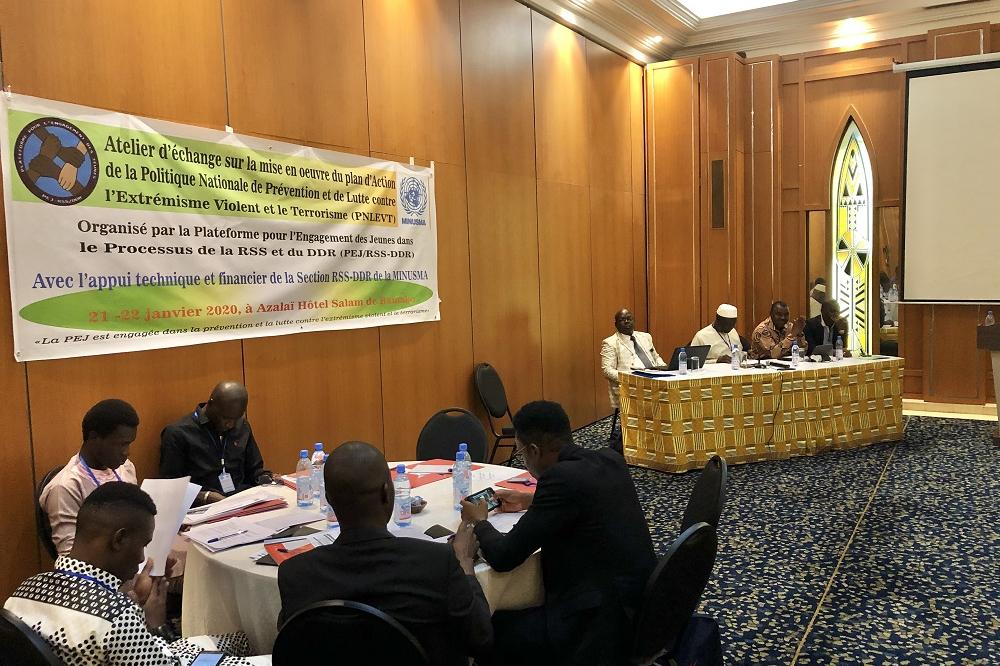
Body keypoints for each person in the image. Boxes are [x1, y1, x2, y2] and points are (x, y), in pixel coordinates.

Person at [461, 401, 656, 666]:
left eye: (521, 452)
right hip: (639, 609)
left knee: (491, 629)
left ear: (534, 450)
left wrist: (480, 522)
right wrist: (529, 500)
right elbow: (586, 500)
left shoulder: (559, 479)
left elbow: (503, 556)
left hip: (596, 628)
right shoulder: (609, 459)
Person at [278, 441, 492, 665]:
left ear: (328, 499)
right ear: (387, 493)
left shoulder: (295, 574)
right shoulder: (436, 562)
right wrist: (465, 564)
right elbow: (481, 639)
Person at [5, 482, 257, 665]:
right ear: (119, 539)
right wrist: (155, 624)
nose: (140, 558)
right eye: (143, 545)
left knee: (238, 640)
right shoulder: (117, 616)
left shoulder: (25, 589)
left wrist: (137, 604)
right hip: (161, 657)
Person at [40, 399, 140, 556]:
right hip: (99, 569)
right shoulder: (65, 487)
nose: (127, 452)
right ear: (94, 437)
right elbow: (70, 559)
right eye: (121, 444)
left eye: (129, 444)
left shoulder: (126, 468)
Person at [160, 381, 271, 504]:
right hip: (204, 506)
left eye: (236, 418)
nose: (230, 425)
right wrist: (205, 496)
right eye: (225, 418)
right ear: (211, 404)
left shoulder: (241, 426)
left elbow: (254, 469)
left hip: (241, 500)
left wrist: (265, 478)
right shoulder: (178, 433)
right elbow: (171, 487)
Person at [600, 308, 665, 410]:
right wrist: (630, 378)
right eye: (622, 320)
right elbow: (607, 370)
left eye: (629, 319)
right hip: (630, 385)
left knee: (671, 390)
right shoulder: (610, 343)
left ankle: (663, 418)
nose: (626, 322)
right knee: (659, 396)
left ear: (633, 320)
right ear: (616, 324)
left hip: (654, 377)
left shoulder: (645, 337)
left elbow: (656, 357)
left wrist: (664, 369)